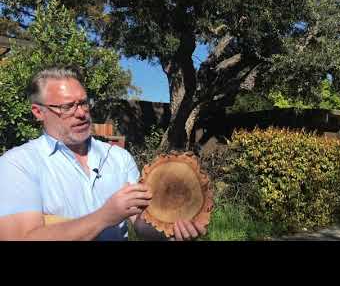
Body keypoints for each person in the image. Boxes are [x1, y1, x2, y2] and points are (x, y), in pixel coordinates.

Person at [0, 67, 206, 241]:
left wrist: (170, 228)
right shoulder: (18, 164)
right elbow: (20, 237)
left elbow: (141, 224)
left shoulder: (118, 157)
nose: (80, 113)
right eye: (66, 106)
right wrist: (104, 217)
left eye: (83, 103)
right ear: (38, 112)